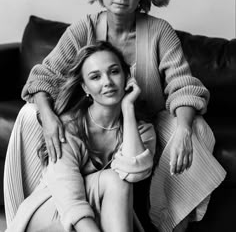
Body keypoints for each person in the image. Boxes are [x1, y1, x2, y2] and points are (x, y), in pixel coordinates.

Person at [4, 0, 226, 232]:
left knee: (197, 129)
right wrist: (48, 118)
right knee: (29, 112)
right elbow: (43, 78)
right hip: (94, 116)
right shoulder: (83, 29)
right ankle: (38, 205)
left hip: (149, 117)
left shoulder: (160, 31)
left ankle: (170, 220)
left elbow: (182, 86)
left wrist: (182, 128)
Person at [5, 41, 156, 232]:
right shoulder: (69, 126)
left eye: (114, 72)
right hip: (52, 209)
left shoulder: (142, 130)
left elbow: (134, 174)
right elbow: (70, 201)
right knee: (113, 181)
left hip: (96, 211)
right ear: (85, 87)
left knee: (118, 181)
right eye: (95, 77)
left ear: (127, 77)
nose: (107, 82)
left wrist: (128, 108)